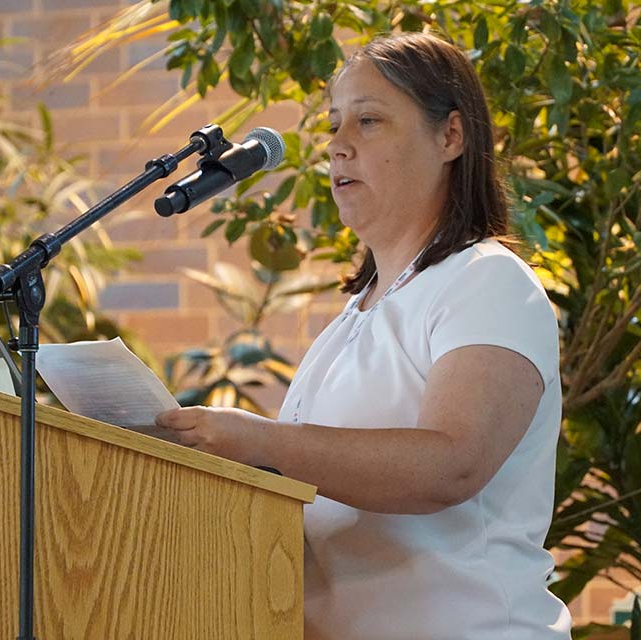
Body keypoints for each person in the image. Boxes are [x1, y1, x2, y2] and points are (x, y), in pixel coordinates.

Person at [155, 32, 572, 639]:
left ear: (450, 136)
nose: (337, 148)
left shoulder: (487, 281)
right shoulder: (356, 313)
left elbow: (451, 465)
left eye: (369, 121)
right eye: (333, 126)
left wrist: (261, 441)